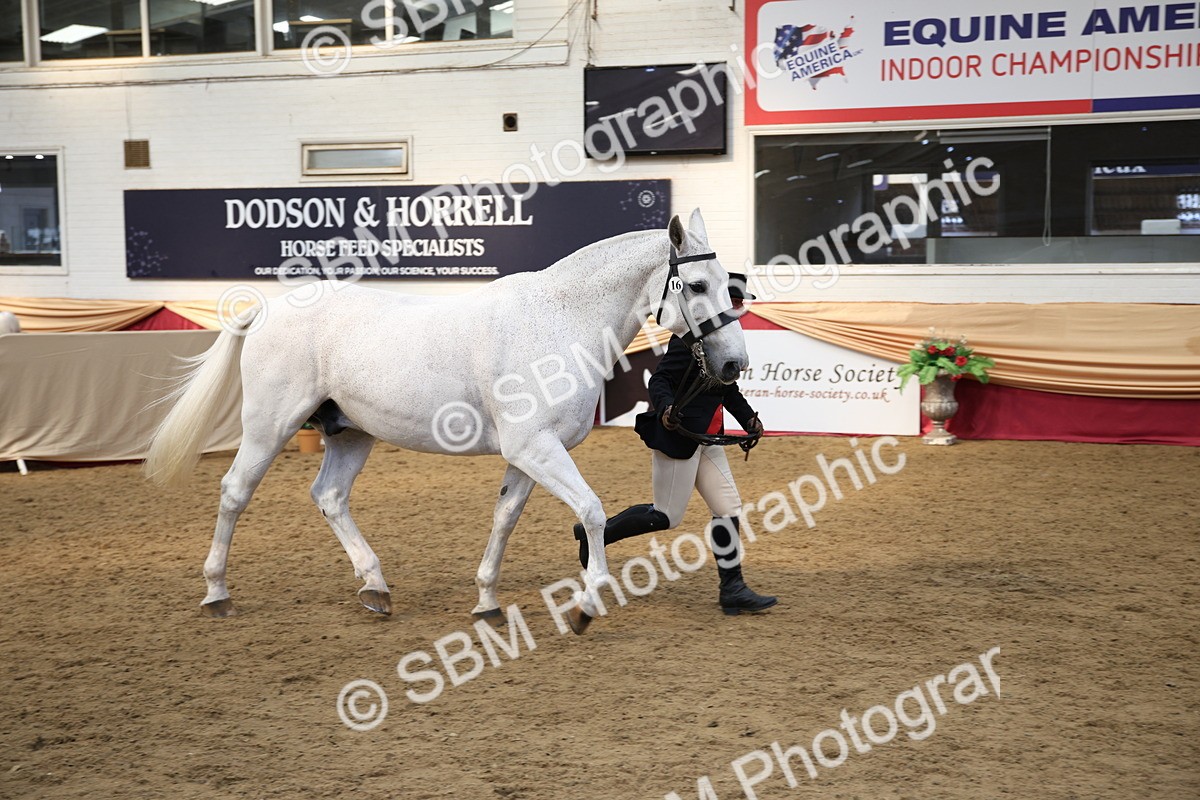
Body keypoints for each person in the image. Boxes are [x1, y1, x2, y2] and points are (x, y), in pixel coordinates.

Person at [573, 274, 777, 615]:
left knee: (727, 508)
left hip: (707, 440)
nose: (739, 310)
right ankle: (598, 534)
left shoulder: (725, 342)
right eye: (735, 303)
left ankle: (733, 589)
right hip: (679, 436)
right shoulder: (690, 341)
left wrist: (748, 420)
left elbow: (726, 390)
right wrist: (666, 408)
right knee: (667, 516)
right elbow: (660, 379)